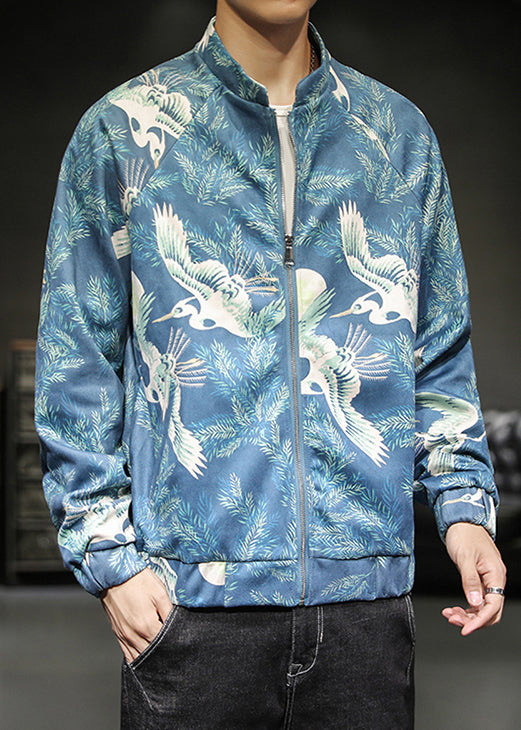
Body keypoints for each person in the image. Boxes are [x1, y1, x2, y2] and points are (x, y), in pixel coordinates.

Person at [35, 1, 506, 727]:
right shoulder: (125, 129)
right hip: (190, 610)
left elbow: (438, 349)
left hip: (366, 610)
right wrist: (110, 557)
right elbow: (76, 361)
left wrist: (464, 508)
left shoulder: (395, 135)